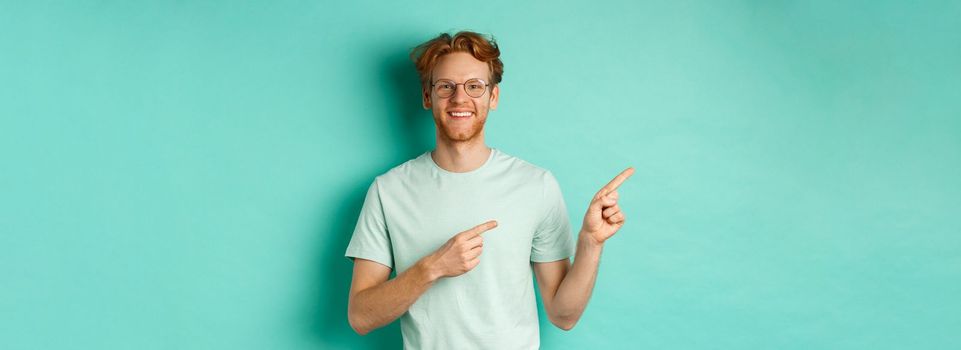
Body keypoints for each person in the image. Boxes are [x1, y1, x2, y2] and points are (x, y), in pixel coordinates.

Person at [344, 30, 633, 349]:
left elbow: (563, 316)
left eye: (474, 86)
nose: (459, 98)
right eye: (445, 86)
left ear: (492, 97)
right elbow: (361, 316)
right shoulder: (388, 191)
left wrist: (590, 242)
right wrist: (433, 268)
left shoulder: (535, 185)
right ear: (428, 97)